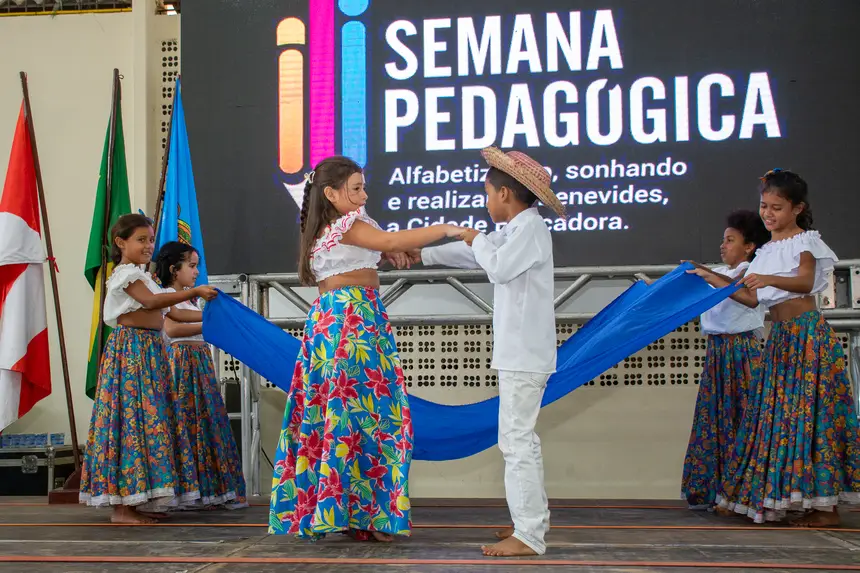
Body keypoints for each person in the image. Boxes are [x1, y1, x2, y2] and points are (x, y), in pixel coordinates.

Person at [268, 156, 463, 542]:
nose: (364, 194)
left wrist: (383, 255)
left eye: (363, 187)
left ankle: (352, 512)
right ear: (331, 193)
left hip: (345, 320)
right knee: (363, 415)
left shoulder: (338, 226)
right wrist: (447, 228)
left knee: (352, 417)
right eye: (356, 188)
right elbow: (390, 241)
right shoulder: (345, 224)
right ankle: (361, 513)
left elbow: (380, 249)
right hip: (351, 322)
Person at [413, 147, 565, 557]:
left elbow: (494, 265)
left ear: (504, 194)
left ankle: (529, 534)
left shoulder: (530, 229)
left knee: (517, 442)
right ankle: (529, 521)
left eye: (486, 193)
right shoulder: (517, 230)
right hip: (520, 354)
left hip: (525, 355)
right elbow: (475, 254)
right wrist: (421, 254)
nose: (485, 202)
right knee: (519, 440)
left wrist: (475, 237)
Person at [690, 169, 860, 525]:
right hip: (781, 339)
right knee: (776, 419)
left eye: (776, 207)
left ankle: (825, 508)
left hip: (807, 336)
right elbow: (751, 299)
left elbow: (805, 281)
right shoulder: (767, 250)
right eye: (764, 206)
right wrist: (710, 276)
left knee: (811, 417)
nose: (768, 213)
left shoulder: (806, 241)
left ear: (797, 208)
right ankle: (789, 499)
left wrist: (766, 277)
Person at [79, 214, 217, 524]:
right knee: (131, 421)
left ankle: (137, 499)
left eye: (151, 240)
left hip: (150, 351)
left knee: (149, 421)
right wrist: (195, 292)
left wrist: (214, 319)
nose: (148, 245)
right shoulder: (124, 275)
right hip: (131, 351)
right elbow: (152, 302)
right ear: (121, 242)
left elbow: (174, 314)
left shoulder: (144, 278)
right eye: (141, 239)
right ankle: (122, 508)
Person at [680, 210, 769, 510]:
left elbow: (744, 294)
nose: (723, 245)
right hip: (717, 353)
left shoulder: (751, 271)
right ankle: (716, 491)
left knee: (741, 418)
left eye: (731, 240)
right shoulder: (719, 272)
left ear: (749, 247)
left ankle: (743, 492)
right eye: (723, 239)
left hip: (741, 353)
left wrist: (707, 274)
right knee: (716, 420)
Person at [155, 241, 247, 510]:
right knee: (185, 423)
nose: (196, 272)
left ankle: (207, 490)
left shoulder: (190, 300)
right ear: (174, 269)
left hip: (199, 362)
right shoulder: (165, 296)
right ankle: (185, 490)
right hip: (182, 363)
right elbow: (171, 329)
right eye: (192, 266)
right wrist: (210, 325)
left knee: (205, 423)